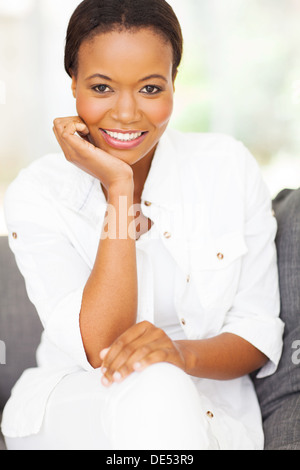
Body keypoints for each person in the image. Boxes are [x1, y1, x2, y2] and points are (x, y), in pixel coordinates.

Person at [1, 0, 284, 450]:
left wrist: (177, 355)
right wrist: (118, 186)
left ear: (174, 83)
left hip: (211, 414)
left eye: (151, 89)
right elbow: (101, 347)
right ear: (73, 84)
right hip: (77, 406)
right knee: (154, 383)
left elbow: (256, 330)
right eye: (102, 87)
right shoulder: (37, 194)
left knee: (160, 382)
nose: (128, 113)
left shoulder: (227, 166)